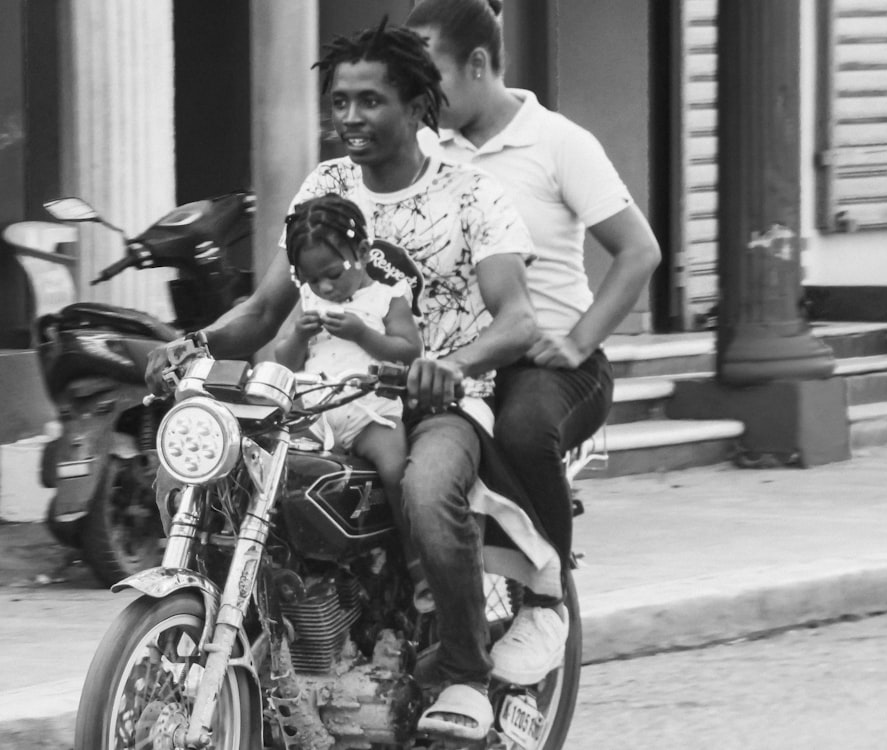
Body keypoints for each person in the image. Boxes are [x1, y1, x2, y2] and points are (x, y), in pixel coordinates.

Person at [147, 19, 537, 743]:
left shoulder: (471, 195)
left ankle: (464, 670)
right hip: (327, 394)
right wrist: (192, 343)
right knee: (229, 470)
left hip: (436, 399)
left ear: (418, 105)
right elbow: (266, 308)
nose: (349, 117)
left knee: (423, 487)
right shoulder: (323, 186)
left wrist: (447, 366)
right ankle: (282, 645)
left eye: (369, 101)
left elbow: (518, 320)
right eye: (339, 101)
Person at [407, 0, 661, 686]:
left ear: (480, 64)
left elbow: (638, 251)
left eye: (428, 78)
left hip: (549, 368)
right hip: (458, 362)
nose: (416, 96)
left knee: (522, 430)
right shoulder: (425, 147)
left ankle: (549, 601)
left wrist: (579, 341)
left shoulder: (559, 143)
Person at [274, 193, 421, 513]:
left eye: (333, 274)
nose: (324, 288)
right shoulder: (310, 301)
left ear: (363, 253)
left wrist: (362, 334)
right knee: (279, 472)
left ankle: (414, 556)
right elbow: (284, 361)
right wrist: (300, 334)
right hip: (315, 415)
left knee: (397, 474)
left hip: (373, 415)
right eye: (311, 279)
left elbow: (410, 351)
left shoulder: (387, 297)